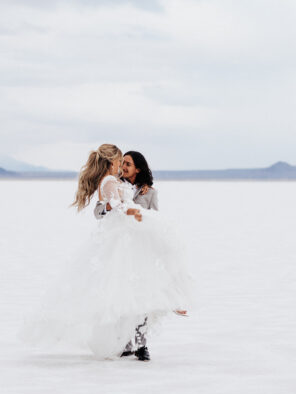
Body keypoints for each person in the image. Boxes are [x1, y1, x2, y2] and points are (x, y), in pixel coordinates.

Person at [21, 144, 191, 362]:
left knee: (143, 296)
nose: (124, 166)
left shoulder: (150, 192)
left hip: (140, 250)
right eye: (123, 162)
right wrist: (113, 208)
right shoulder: (114, 183)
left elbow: (153, 218)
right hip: (121, 248)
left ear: (138, 169)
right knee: (123, 295)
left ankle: (141, 344)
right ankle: (124, 342)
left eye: (128, 164)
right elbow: (100, 210)